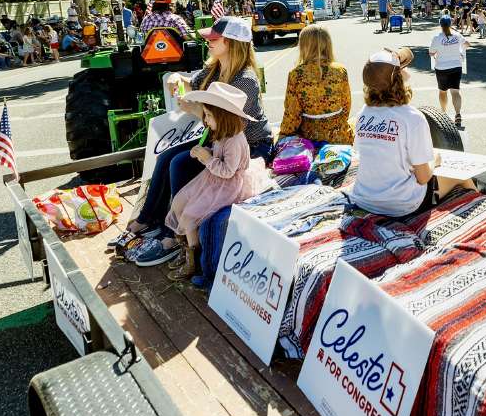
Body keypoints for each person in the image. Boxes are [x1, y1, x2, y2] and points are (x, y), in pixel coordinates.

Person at [123, 16, 272, 265]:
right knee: (167, 156)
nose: (208, 42)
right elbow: (191, 79)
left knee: (179, 163)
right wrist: (176, 77)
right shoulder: (215, 68)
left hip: (246, 147)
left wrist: (195, 111)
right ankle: (150, 217)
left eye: (214, 38)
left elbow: (228, 123)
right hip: (221, 142)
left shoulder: (245, 80)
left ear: (232, 43)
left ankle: (174, 236)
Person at [163, 82, 273, 281]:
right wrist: (208, 153)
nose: (205, 119)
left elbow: (228, 171)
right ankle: (184, 249)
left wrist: (207, 158)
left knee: (189, 216)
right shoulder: (221, 134)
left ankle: (194, 262)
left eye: (209, 115)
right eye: (206, 114)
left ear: (224, 117)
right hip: (212, 178)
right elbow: (219, 159)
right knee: (178, 202)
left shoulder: (236, 140)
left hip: (227, 185)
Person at [349, 48, 473, 218]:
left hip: (364, 198)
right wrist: (434, 160)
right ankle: (484, 215)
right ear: (398, 77)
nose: (407, 69)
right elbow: (423, 178)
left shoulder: (363, 113)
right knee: (464, 177)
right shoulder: (412, 117)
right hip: (402, 204)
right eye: (403, 66)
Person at [278, 24, 354, 145]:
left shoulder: (296, 74)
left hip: (309, 139)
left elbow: (292, 114)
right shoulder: (340, 71)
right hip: (339, 136)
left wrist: (283, 135)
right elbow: (346, 106)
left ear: (304, 46)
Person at [430, 14, 469, 128]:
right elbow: (467, 44)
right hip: (456, 66)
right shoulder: (457, 35)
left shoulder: (437, 37)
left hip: (441, 67)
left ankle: (443, 114)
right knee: (455, 92)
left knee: (443, 91)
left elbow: (431, 53)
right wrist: (461, 50)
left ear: (440, 25)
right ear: (450, 24)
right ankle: (457, 114)